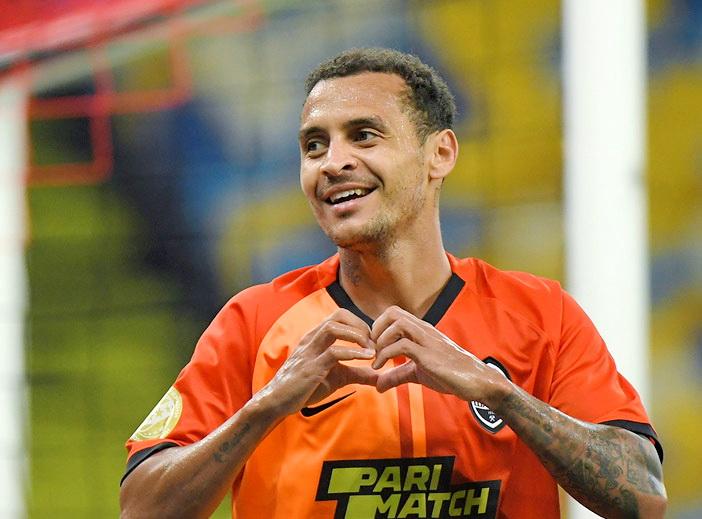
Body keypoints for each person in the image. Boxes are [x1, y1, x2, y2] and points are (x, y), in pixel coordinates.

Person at [119, 48, 667, 518]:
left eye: (363, 136)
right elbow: (140, 507)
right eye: (314, 146)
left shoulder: (539, 313)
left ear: (439, 154)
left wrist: (499, 392)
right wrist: (265, 407)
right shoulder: (256, 321)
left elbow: (643, 497)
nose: (332, 163)